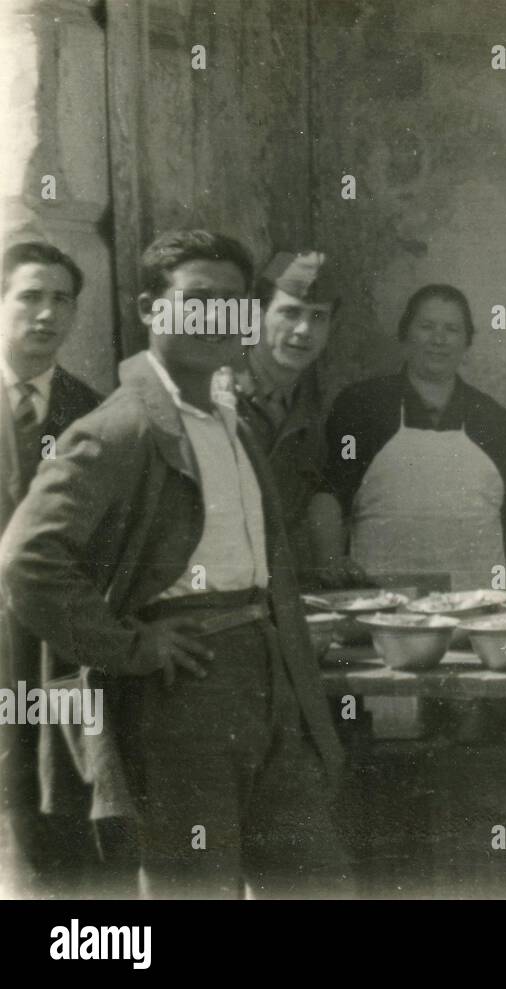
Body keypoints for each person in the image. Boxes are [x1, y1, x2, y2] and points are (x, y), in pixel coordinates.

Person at [0, 229, 349, 898]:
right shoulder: (119, 427)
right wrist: (131, 646)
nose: (218, 318)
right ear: (148, 309)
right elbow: (26, 561)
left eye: (235, 303)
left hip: (269, 684)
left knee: (316, 880)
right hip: (181, 693)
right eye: (198, 299)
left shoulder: (232, 423)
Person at [310, 283, 506, 590]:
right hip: (382, 599)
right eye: (427, 326)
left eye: (452, 329)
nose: (439, 340)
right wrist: (331, 563)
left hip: (478, 597)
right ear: (406, 335)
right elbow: (330, 493)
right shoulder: (363, 405)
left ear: (467, 342)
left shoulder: (492, 417)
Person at [0, 242, 103, 896]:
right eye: (29, 296)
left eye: (61, 299)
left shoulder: (89, 410)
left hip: (54, 644)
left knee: (55, 794)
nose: (46, 313)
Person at [231, 250, 345, 585]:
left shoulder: (306, 411)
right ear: (257, 316)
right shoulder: (216, 397)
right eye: (290, 313)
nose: (304, 330)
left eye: (318, 317)